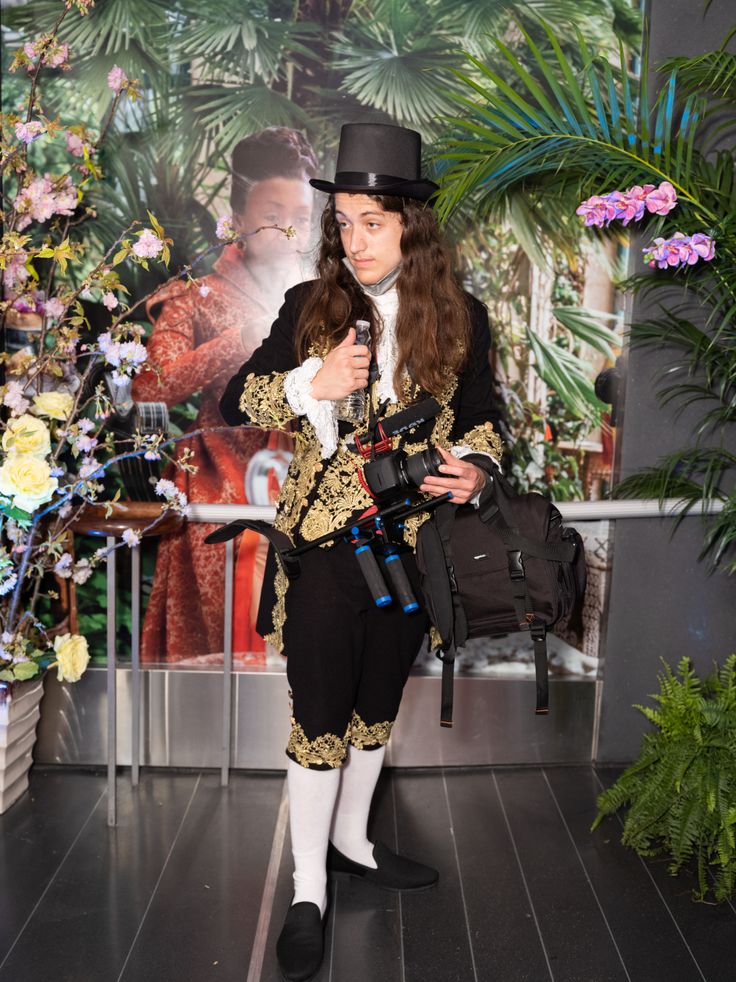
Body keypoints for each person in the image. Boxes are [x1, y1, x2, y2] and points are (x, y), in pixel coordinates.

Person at [219, 123, 503, 982]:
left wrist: (476, 469)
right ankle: (308, 889)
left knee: (378, 703)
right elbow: (240, 395)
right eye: (342, 222)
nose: (354, 239)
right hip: (323, 550)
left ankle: (352, 843)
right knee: (320, 716)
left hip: (414, 548)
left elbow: (486, 415)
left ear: (412, 226)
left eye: (371, 222)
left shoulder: (462, 318)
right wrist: (314, 384)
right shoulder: (311, 305)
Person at [132, 127, 316, 664]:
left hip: (312, 477)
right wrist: (238, 341)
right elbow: (150, 385)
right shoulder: (196, 296)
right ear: (237, 220)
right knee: (223, 640)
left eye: (301, 217)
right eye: (272, 212)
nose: (288, 229)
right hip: (219, 482)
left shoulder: (331, 296)